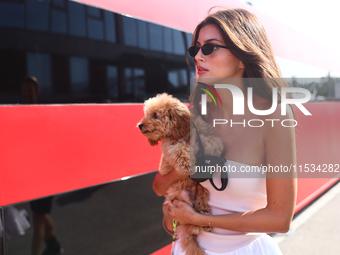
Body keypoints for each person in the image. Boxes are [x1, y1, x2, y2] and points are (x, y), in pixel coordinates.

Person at [153, 8, 297, 255]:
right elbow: (158, 186)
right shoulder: (198, 112)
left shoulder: (275, 117)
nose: (198, 56)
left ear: (242, 56)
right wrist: (174, 211)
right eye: (195, 49)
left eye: (209, 47)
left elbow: (279, 219)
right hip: (188, 249)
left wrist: (201, 220)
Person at [21, 76, 64, 255]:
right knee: (39, 215)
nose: (28, 93)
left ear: (37, 92)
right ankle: (54, 245)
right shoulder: (19, 114)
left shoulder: (43, 115)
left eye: (31, 89)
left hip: (45, 174)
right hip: (31, 173)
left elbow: (52, 144)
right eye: (25, 89)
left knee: (38, 219)